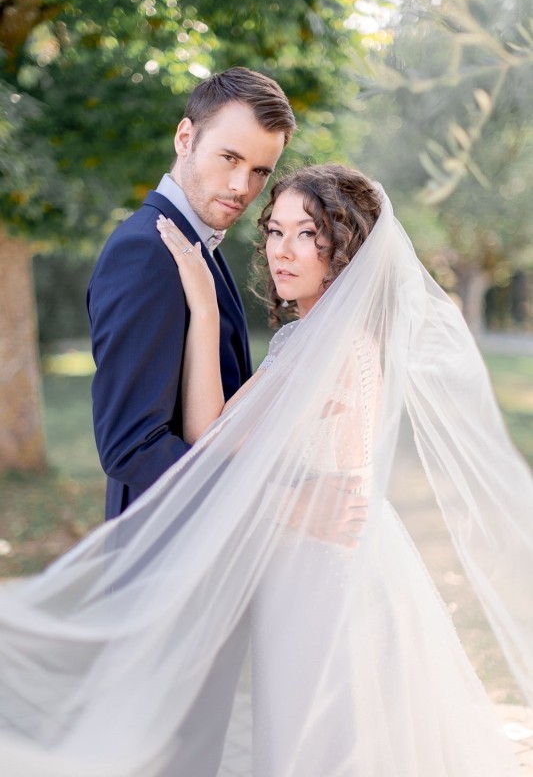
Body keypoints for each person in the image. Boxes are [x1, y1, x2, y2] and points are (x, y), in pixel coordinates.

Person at [0, 165, 532, 777]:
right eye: (275, 231)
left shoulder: (324, 346)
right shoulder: (326, 338)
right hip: (330, 561)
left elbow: (209, 435)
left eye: (307, 233)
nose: (282, 250)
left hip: (320, 575)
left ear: (346, 244)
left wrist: (202, 306)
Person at [87, 66, 295, 521]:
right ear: (185, 138)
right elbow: (130, 448)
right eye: (229, 158)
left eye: (260, 170)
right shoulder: (145, 252)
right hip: (163, 556)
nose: (243, 187)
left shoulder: (197, 245)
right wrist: (277, 505)